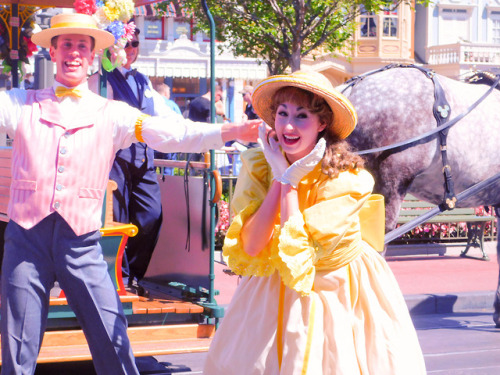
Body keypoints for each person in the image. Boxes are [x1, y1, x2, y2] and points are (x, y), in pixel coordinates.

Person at [0, 12, 259, 375]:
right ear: (53, 53)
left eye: (82, 46)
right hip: (27, 239)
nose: (74, 53)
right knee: (17, 345)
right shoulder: (19, 103)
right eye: (66, 45)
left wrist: (231, 130)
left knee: (111, 334)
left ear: (92, 58)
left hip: (80, 241)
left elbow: (172, 132)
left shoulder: (114, 114)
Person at [204, 71, 426, 374]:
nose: (288, 125)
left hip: (333, 289)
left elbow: (303, 255)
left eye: (302, 115)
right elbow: (254, 246)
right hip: (272, 286)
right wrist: (280, 176)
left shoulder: (349, 180)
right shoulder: (260, 167)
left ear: (323, 124)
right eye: (282, 114)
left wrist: (291, 181)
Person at [105, 27, 175, 293]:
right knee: (118, 220)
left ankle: (134, 273)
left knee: (151, 216)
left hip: (143, 159)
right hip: (115, 161)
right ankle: (120, 278)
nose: (131, 49)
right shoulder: (102, 80)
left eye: (135, 43)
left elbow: (168, 118)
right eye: (126, 43)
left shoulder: (144, 81)